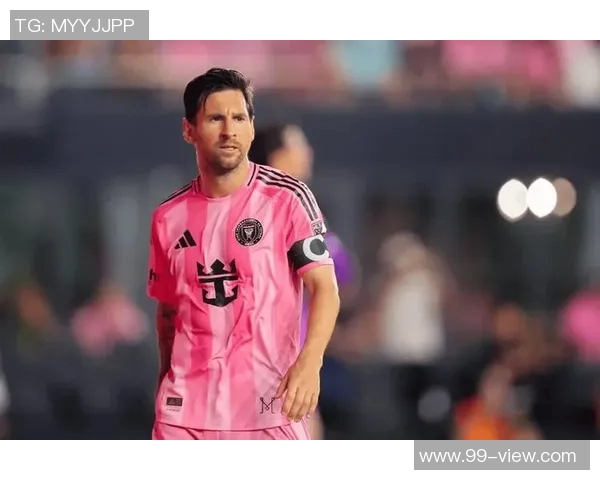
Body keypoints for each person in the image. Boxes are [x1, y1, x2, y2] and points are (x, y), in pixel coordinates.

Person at [147, 68, 340, 440]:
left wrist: (310, 363)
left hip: (269, 407)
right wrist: (163, 387)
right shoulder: (167, 217)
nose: (228, 131)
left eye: (238, 118)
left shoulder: (289, 198)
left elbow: (326, 288)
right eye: (215, 119)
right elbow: (168, 313)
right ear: (189, 130)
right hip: (184, 415)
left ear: (251, 128)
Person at [249, 124, 360, 438]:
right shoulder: (279, 208)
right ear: (275, 157)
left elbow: (341, 276)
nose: (308, 153)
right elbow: (341, 273)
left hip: (284, 359)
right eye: (298, 146)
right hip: (273, 361)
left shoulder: (289, 205)